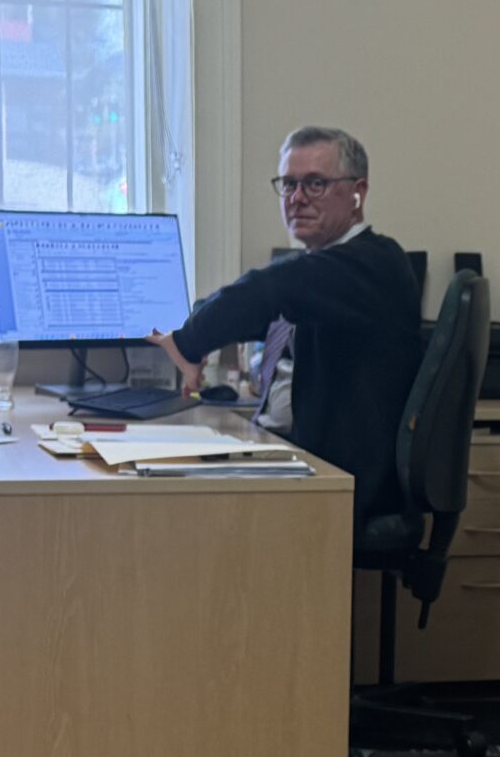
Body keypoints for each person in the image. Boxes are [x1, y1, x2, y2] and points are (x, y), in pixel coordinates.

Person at [151, 126, 423, 524]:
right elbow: (262, 303)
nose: (297, 199)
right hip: (308, 458)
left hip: (344, 484)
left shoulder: (372, 265)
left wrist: (188, 342)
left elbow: (271, 288)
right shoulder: (327, 271)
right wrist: (198, 327)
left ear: (357, 192)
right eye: (289, 184)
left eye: (315, 184)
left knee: (179, 508)